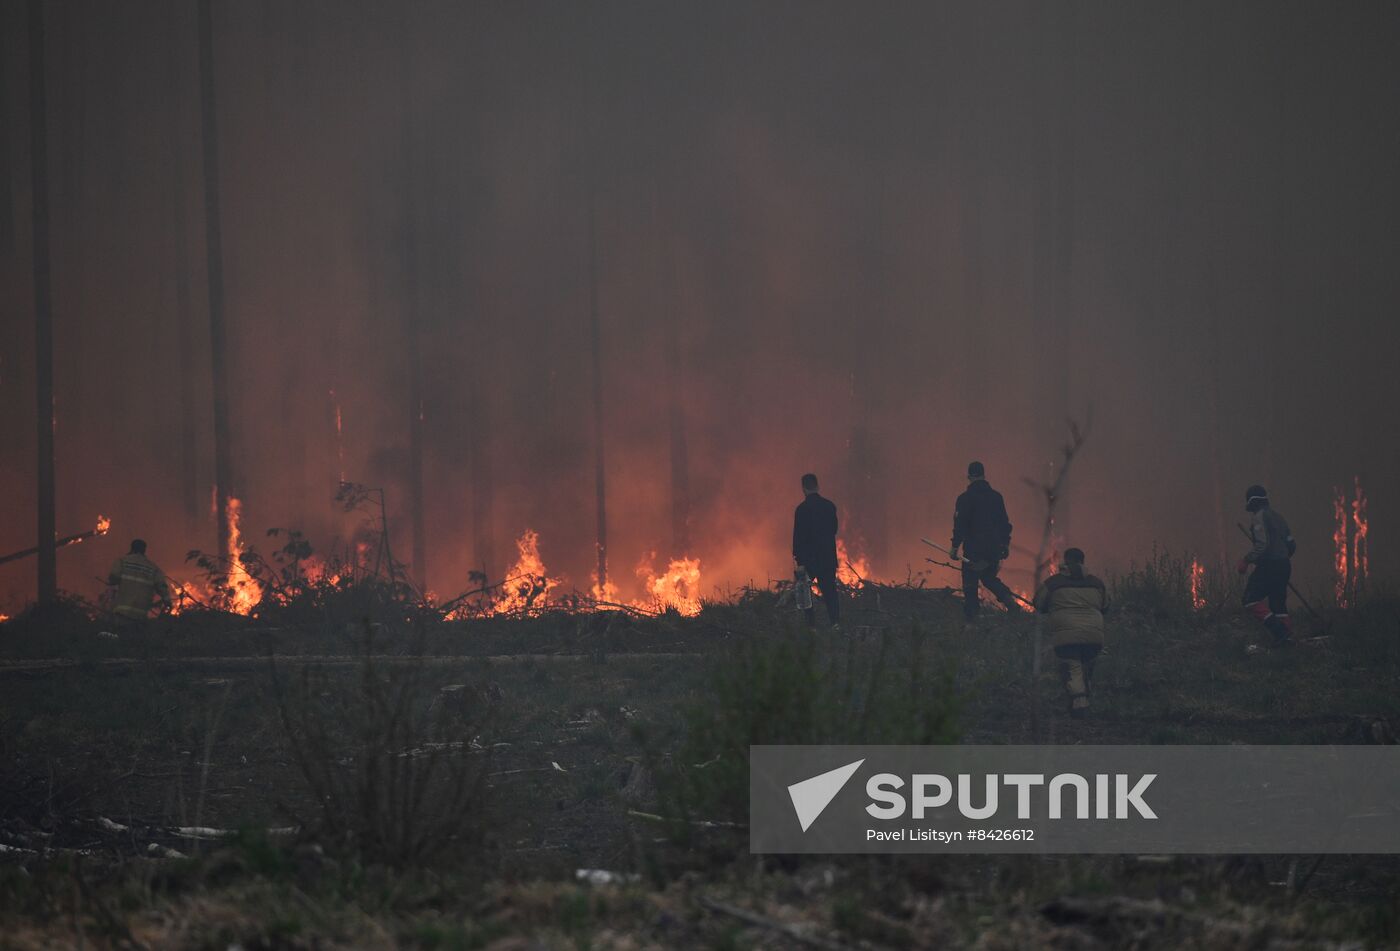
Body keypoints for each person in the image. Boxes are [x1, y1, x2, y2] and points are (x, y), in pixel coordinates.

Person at [1034, 547, 1108, 718]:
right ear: (1083, 561)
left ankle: (1079, 703)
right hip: (1094, 635)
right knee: (1087, 665)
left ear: (1065, 561)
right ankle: (1084, 695)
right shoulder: (1097, 583)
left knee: (1072, 666)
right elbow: (1106, 606)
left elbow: (1039, 603)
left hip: (1066, 635)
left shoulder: (1053, 583)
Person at [950, 461, 1021, 624]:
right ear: (983, 475)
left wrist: (954, 547)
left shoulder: (965, 499)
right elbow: (1005, 524)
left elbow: (960, 525)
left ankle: (972, 620)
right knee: (989, 578)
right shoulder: (996, 497)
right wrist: (1004, 545)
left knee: (970, 584)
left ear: (969, 477)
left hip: (974, 550)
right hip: (993, 550)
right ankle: (1010, 602)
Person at [1238, 485, 1295, 646]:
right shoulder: (1279, 517)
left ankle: (1280, 632)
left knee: (1250, 599)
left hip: (1269, 566)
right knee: (1278, 604)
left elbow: (1263, 545)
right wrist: (1282, 558)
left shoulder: (1259, 517)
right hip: (1284, 565)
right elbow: (1291, 545)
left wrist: (1246, 560)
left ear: (1252, 502)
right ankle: (1287, 640)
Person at [792, 473, 841, 629]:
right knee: (830, 592)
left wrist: (799, 561)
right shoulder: (830, 506)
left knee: (805, 593)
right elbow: (834, 529)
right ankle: (835, 623)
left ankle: (811, 626)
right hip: (827, 558)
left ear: (803, 489)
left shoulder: (801, 510)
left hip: (809, 560)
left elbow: (798, 537)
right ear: (817, 486)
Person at [106, 539, 170, 624]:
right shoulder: (153, 568)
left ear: (131, 548)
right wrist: (167, 601)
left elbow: (113, 579)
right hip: (141, 613)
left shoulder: (122, 561)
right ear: (144, 550)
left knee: (121, 635)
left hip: (122, 611)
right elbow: (162, 586)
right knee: (136, 636)